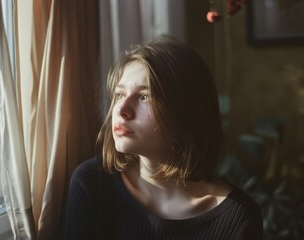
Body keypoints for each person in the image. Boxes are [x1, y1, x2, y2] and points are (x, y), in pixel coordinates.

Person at [65, 37, 263, 240]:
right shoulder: (92, 184)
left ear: (186, 112)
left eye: (144, 96)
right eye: (120, 95)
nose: (122, 110)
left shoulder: (238, 217)